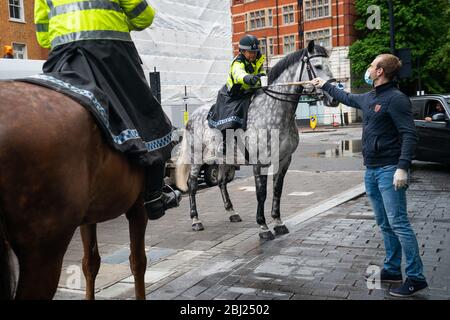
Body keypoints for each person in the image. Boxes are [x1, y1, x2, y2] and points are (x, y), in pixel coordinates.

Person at [30, 0, 181, 220]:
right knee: (149, 117)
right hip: (108, 53)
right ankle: (154, 198)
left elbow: (43, 36)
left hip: (64, 58)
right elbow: (143, 17)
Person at [312, 54, 428, 297]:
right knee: (385, 224)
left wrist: (402, 167)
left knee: (399, 224)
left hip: (389, 170)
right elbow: (347, 97)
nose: (368, 68)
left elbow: (409, 134)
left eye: (372, 65)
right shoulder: (370, 97)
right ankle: (392, 269)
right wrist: (324, 85)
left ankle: (416, 278)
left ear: (380, 72)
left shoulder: (396, 99)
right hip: (372, 170)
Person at [207, 34, 266, 153]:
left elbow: (262, 72)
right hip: (232, 95)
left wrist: (262, 77)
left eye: (254, 52)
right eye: (250, 52)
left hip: (249, 91)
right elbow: (238, 74)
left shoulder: (259, 59)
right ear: (242, 51)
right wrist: (248, 78)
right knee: (233, 116)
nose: (253, 55)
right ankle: (224, 142)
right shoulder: (238, 62)